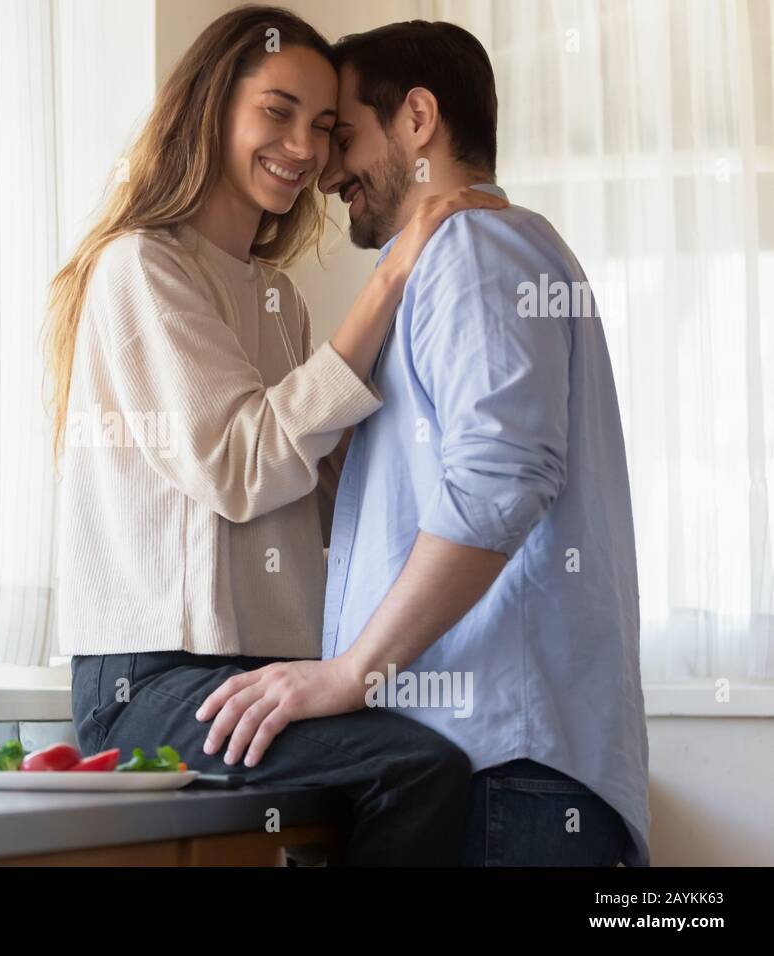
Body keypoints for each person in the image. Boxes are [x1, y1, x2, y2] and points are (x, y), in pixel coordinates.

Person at [44, 5, 505, 865]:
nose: (304, 146)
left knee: (447, 756)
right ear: (214, 106)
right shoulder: (141, 267)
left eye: (325, 127)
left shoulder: (275, 300)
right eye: (278, 110)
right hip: (153, 683)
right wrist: (394, 272)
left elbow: (316, 484)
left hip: (257, 673)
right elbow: (242, 466)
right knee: (419, 771)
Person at [196, 20, 650, 866]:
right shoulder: (477, 253)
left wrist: (348, 673)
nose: (326, 172)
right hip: (501, 768)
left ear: (416, 119)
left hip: (499, 770)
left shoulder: (471, 248)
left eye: (342, 134)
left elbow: (500, 482)